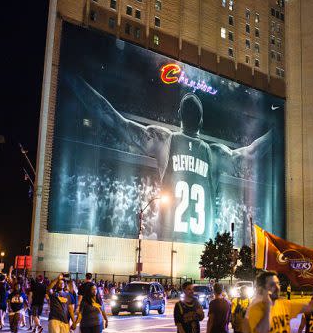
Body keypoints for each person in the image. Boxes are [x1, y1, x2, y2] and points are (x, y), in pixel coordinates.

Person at [71, 78, 273, 242]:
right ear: (201, 121)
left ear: (179, 115)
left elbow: (115, 121)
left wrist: (76, 79)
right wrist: (277, 132)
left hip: (169, 242)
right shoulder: (215, 153)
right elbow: (251, 154)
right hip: (204, 245)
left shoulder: (164, 140)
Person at [246, 270, 313, 333]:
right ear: (262, 288)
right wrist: (268, 307)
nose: (277, 287)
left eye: (278, 283)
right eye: (272, 284)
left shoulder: (283, 304)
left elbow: (311, 306)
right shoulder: (255, 309)